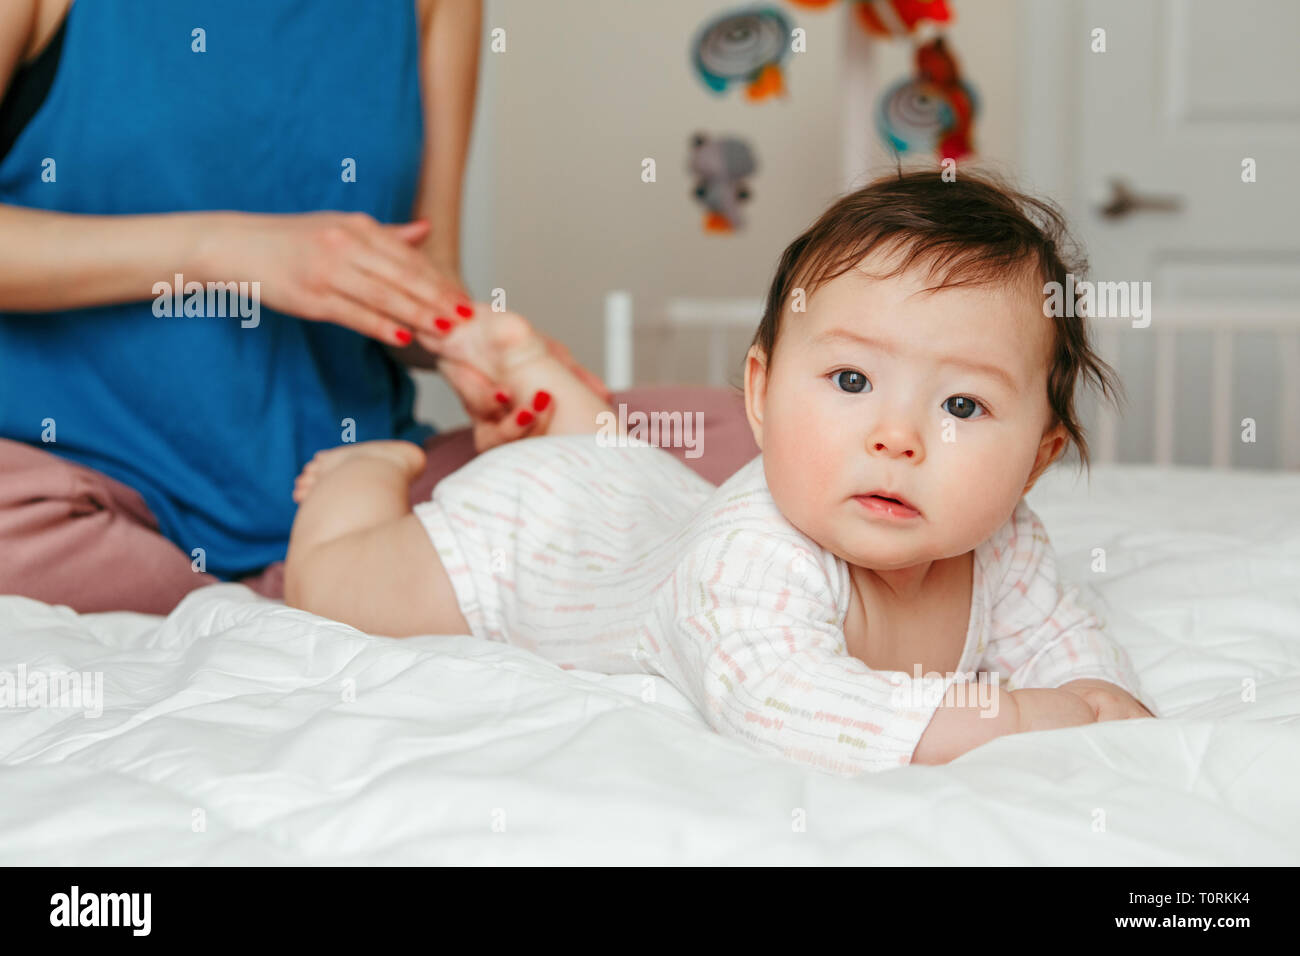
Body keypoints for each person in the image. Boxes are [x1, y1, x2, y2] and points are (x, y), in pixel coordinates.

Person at [281, 171, 1157, 777]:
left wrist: (1092, 701)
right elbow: (781, 704)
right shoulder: (749, 561)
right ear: (762, 393)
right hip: (530, 543)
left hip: (638, 501)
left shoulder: (1004, 542)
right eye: (851, 382)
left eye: (962, 407)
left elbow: (1069, 659)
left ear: (1038, 459)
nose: (898, 438)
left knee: (621, 471)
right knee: (332, 584)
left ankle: (552, 403)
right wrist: (1008, 720)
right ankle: (364, 470)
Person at [0, 0, 604, 614]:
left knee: (664, 463)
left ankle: (319, 586)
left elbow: (428, 266)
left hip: (352, 492)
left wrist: (482, 351)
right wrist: (223, 251)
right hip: (75, 497)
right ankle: (311, 603)